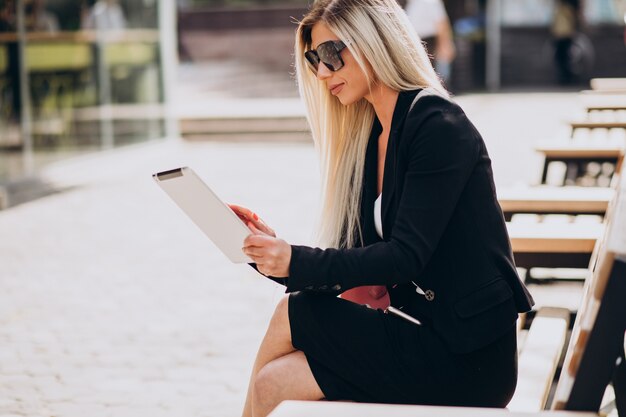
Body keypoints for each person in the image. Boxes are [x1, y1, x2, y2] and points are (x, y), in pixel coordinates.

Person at [230, 0, 534, 415]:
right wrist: (271, 253)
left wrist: (294, 261)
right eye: (313, 59)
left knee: (292, 311)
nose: (322, 72)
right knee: (275, 383)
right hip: (415, 332)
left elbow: (405, 256)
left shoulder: (437, 124)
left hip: (467, 356)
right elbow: (359, 269)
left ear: (373, 41)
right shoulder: (372, 137)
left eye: (331, 55)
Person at [404, 0, 456, 84]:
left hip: (430, 41)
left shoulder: (431, 2)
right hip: (416, 42)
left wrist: (445, 44)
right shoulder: (412, 3)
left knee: (433, 75)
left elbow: (441, 24)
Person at [551, 0, 579, 85]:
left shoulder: (566, 9)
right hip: (560, 36)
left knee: (565, 58)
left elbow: (571, 21)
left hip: (565, 35)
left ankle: (567, 77)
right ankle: (564, 77)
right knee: (561, 58)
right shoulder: (559, 9)